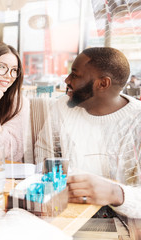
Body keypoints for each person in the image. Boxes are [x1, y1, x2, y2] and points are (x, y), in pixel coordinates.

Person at [34, 47, 141, 218]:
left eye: (75, 75)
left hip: (122, 225)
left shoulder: (137, 121)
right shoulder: (62, 107)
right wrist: (56, 181)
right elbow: (44, 150)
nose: (67, 80)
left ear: (103, 83)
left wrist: (116, 193)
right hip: (65, 215)